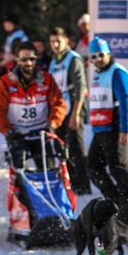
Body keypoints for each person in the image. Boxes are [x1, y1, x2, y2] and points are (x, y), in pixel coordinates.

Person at [0, 42, 66, 169]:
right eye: (24, 59)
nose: (29, 63)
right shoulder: (5, 83)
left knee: (48, 172)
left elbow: (58, 104)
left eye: (32, 59)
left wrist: (52, 124)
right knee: (20, 175)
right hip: (17, 135)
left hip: (41, 133)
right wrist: (8, 131)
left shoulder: (46, 79)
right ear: (18, 60)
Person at [87, 37, 128, 208]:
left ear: (108, 54)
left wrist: (126, 129)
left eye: (101, 55)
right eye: (94, 56)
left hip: (114, 128)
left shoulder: (117, 71)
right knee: (93, 167)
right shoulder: (98, 74)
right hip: (100, 129)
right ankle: (116, 201)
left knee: (119, 169)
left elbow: (126, 100)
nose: (98, 59)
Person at [49, 27, 91, 195]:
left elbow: (81, 87)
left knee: (76, 148)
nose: (55, 45)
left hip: (74, 107)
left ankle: (83, 185)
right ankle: (70, 183)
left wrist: (76, 113)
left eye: (58, 41)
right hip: (59, 110)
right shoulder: (54, 61)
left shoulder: (73, 59)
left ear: (66, 40)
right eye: (52, 42)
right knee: (60, 147)